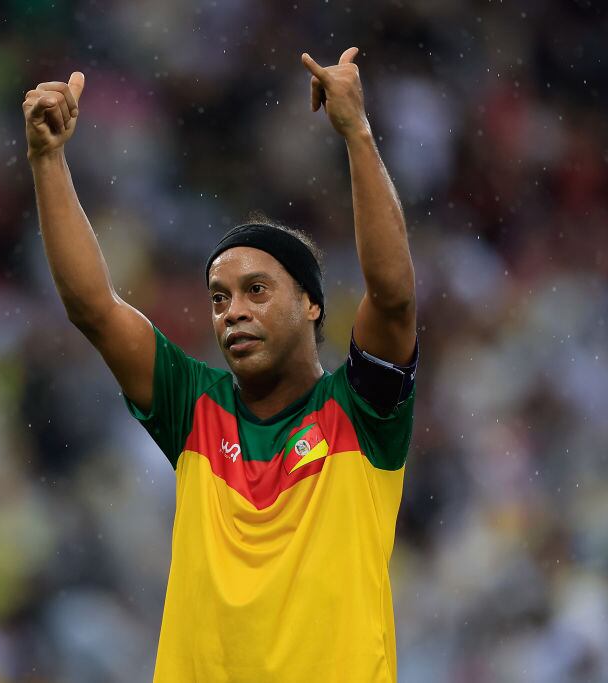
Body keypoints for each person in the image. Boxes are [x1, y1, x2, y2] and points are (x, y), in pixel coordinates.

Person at [22, 47, 417, 683]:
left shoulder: (362, 411)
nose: (232, 311)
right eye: (218, 297)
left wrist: (357, 134)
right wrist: (47, 158)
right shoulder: (193, 405)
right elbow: (94, 307)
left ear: (312, 304)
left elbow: (394, 296)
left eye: (257, 291)